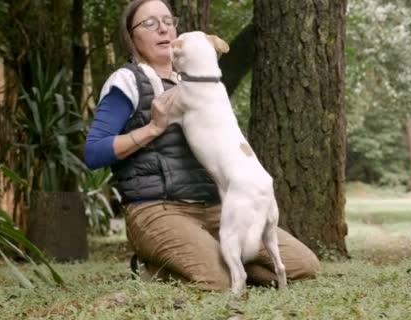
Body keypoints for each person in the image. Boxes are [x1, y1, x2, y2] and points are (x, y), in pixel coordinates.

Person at [84, 0, 320, 291]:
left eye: (168, 21)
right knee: (218, 282)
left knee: (303, 265)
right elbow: (93, 153)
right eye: (149, 23)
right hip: (158, 209)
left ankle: (204, 257)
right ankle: (166, 265)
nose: (163, 28)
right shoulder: (127, 81)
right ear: (132, 38)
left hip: (217, 209)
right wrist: (152, 128)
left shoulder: (200, 82)